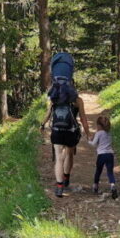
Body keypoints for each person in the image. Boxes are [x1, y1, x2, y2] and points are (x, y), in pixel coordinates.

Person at [41, 57, 90, 198]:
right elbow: (84, 120)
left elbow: (48, 114)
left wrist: (42, 125)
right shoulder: (77, 100)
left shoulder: (53, 98)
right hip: (71, 132)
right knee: (69, 153)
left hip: (57, 131)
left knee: (58, 157)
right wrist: (88, 133)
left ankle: (59, 186)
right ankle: (66, 177)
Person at [89, 114, 117, 198]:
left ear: (99, 125)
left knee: (98, 170)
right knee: (110, 172)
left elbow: (94, 144)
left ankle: (95, 186)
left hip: (101, 155)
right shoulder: (109, 133)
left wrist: (88, 140)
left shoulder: (99, 133)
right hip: (110, 155)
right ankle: (112, 185)